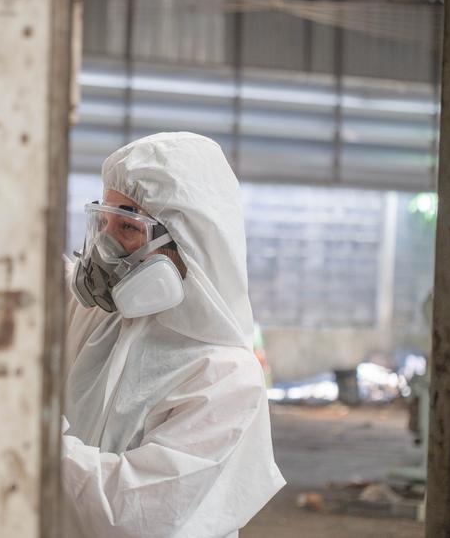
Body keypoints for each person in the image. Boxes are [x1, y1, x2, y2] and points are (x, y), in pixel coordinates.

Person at [61, 132, 285, 538]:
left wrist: (35, 441)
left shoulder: (225, 377)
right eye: (103, 220)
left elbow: (131, 512)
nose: (104, 246)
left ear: (187, 242)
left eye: (128, 227)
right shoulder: (96, 313)